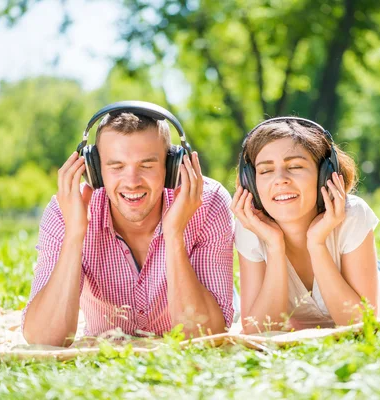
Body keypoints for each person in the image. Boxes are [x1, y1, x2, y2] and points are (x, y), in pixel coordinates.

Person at [22, 102, 235, 346]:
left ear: (171, 167)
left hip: (202, 301)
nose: (132, 182)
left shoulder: (207, 202)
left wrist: (174, 235)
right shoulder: (66, 209)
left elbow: (204, 336)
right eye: (117, 166)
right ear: (95, 171)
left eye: (147, 165)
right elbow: (44, 340)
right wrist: (74, 234)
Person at [233, 117, 380, 334]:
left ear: (324, 174)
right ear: (250, 181)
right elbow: (258, 330)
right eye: (265, 171)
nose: (280, 179)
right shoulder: (251, 225)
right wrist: (274, 246)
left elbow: (359, 323)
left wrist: (317, 243)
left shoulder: (353, 213)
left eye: (295, 166)